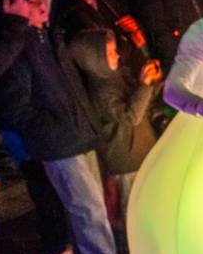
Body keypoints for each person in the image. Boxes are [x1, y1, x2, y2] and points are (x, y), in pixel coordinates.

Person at [0, 0, 131, 254]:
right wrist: (51, 131)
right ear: (12, 7)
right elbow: (13, 108)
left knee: (90, 206)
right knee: (86, 208)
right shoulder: (15, 48)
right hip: (59, 141)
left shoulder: (49, 36)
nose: (41, 5)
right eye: (32, 0)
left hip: (77, 131)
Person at [68, 28, 162, 231]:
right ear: (95, 60)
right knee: (135, 208)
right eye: (110, 53)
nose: (117, 55)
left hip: (140, 153)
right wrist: (144, 85)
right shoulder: (102, 92)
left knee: (150, 203)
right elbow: (131, 116)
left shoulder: (118, 76)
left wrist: (153, 82)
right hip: (127, 161)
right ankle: (133, 243)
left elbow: (142, 102)